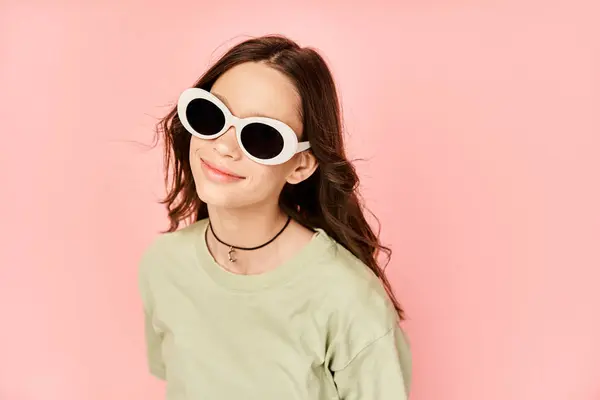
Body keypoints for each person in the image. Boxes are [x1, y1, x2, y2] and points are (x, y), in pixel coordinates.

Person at [138, 34, 412, 400]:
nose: (223, 145)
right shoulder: (164, 265)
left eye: (262, 137)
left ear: (300, 165)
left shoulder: (350, 300)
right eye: (210, 115)